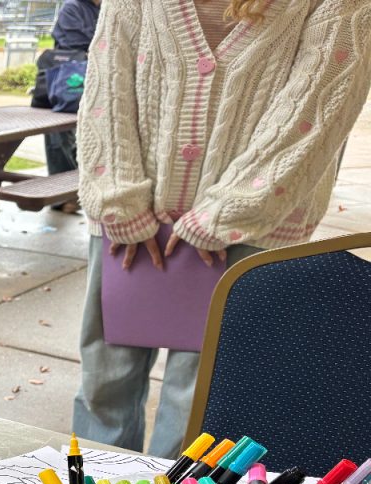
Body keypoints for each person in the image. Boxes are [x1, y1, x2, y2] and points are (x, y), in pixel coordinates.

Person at [73, 0, 371, 458]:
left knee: (202, 406)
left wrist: (226, 213)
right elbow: (106, 81)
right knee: (103, 386)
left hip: (253, 227)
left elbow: (318, 113)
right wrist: (118, 200)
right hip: (128, 219)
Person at [40, 0, 101, 182]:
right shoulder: (72, 7)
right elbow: (76, 43)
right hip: (70, 84)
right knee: (60, 132)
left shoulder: (109, 8)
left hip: (101, 83)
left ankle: (82, 186)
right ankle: (63, 193)